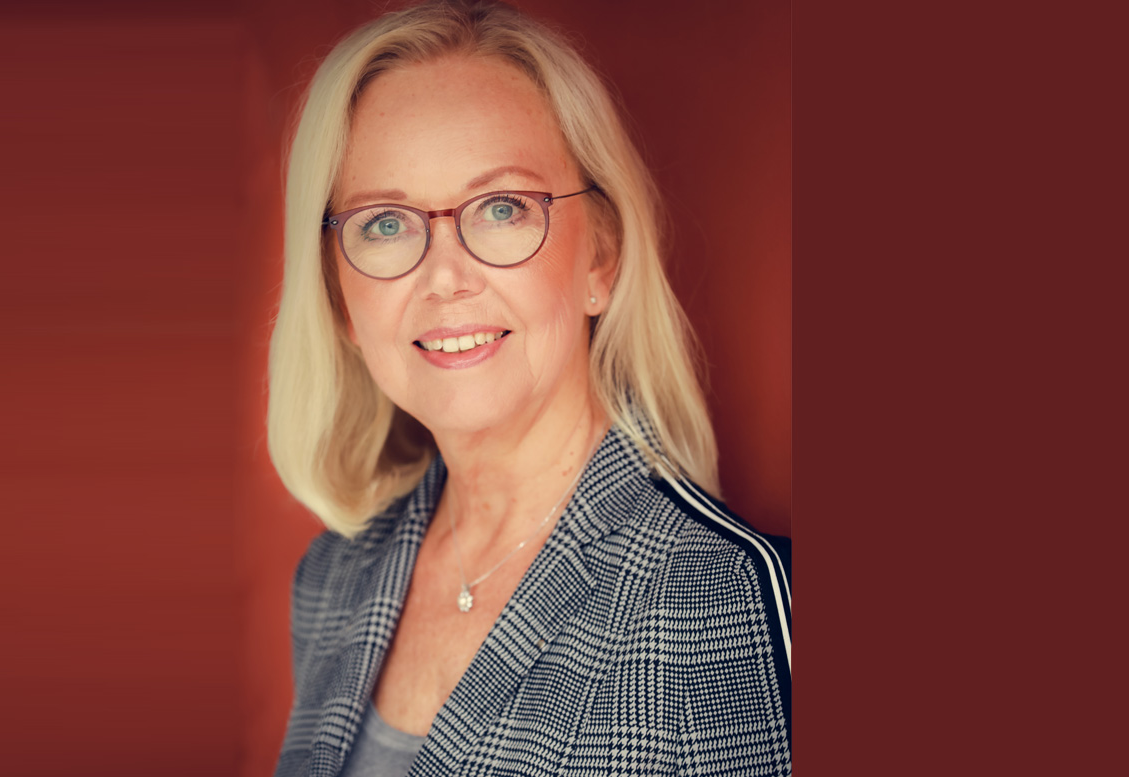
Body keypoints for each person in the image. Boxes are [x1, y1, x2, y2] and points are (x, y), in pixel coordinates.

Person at [266, 2, 790, 775]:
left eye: (502, 208)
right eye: (385, 223)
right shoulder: (331, 580)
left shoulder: (717, 597)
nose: (445, 277)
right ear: (341, 300)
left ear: (600, 258)